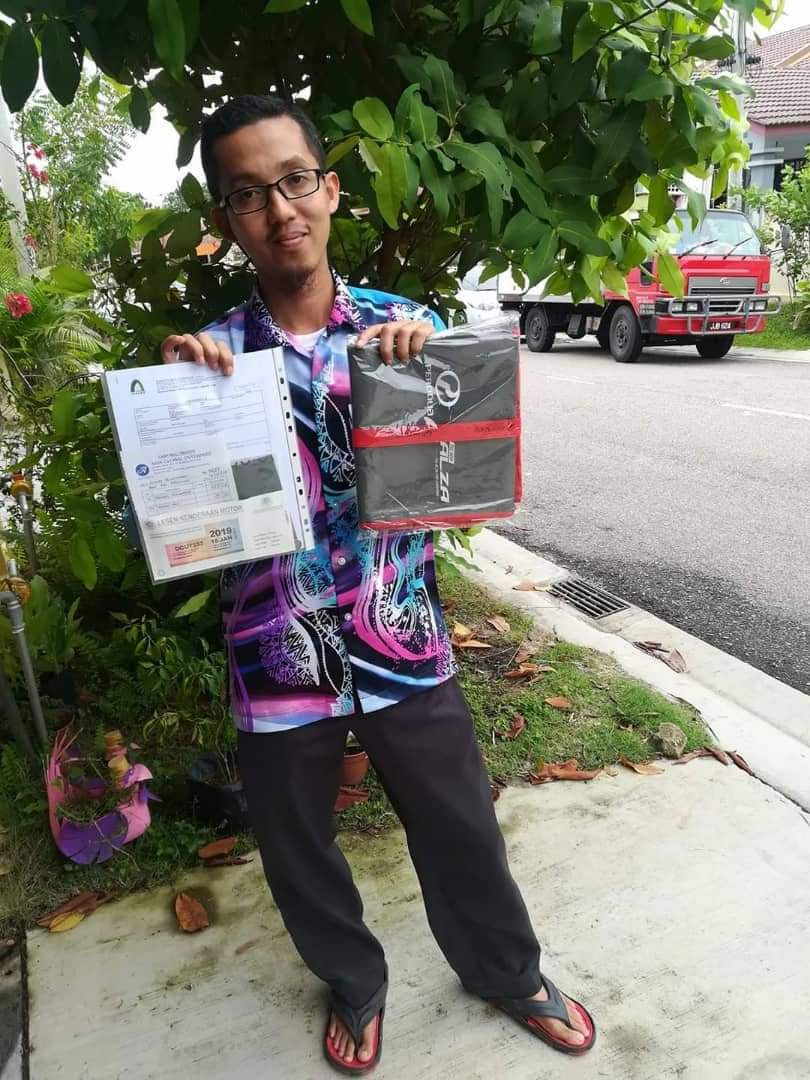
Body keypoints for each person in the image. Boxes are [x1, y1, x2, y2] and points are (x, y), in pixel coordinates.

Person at [161, 94, 595, 1075]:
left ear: (329, 189)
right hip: (275, 653)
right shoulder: (207, 362)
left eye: (294, 180)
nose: (279, 209)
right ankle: (354, 981)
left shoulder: (409, 327)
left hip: (402, 637)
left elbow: (468, 487)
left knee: (460, 824)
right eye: (248, 194)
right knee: (296, 846)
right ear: (227, 219)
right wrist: (177, 408)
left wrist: (427, 379)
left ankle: (507, 971)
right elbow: (184, 523)